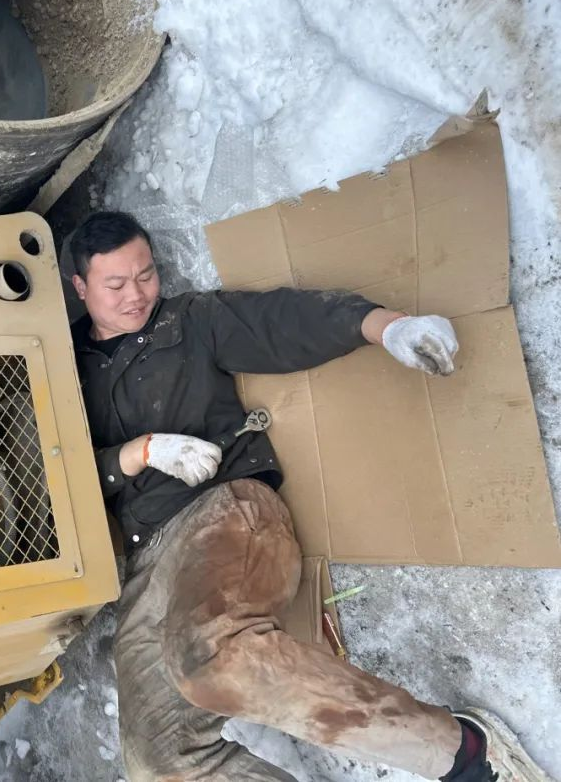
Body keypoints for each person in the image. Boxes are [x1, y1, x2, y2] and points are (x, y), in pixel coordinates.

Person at [69, 211, 551, 782]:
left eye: (146, 275)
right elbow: (54, 474)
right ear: (80, 287)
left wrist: (387, 326)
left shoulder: (188, 320)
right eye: (116, 285)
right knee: (158, 763)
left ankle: (464, 752)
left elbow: (281, 321)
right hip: (146, 562)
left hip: (220, 516)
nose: (136, 295)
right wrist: (138, 453)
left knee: (213, 658)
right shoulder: (65, 365)